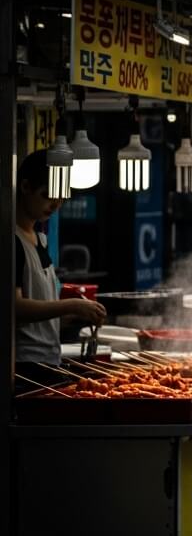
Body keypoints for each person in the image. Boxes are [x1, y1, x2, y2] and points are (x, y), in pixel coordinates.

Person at [13, 150, 106, 381]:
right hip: (24, 364)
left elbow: (41, 303)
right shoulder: (12, 241)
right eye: (47, 195)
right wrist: (70, 306)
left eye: (61, 197)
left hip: (48, 358)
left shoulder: (39, 237)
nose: (55, 205)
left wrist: (71, 316)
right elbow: (14, 308)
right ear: (25, 187)